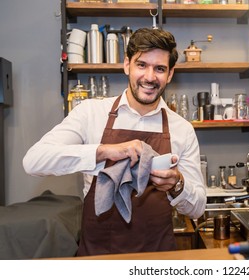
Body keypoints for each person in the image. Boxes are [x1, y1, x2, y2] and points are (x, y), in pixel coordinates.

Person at [23, 28, 206, 256]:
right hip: (99, 258)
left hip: (157, 259)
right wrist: (103, 151)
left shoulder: (182, 129)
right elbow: (33, 161)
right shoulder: (91, 113)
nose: (150, 77)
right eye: (142, 65)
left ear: (169, 74)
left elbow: (198, 207)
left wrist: (177, 184)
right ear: (127, 64)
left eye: (159, 68)